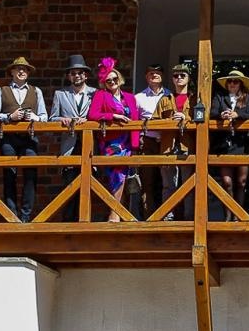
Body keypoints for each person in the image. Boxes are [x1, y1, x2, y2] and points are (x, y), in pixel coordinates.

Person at [0, 56, 48, 222]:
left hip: (30, 137)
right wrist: (9, 116)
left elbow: (45, 117)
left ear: (28, 73)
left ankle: (26, 215)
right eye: (18, 68)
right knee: (9, 174)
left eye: (25, 69)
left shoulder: (36, 92)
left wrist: (34, 117)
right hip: (8, 138)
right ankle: (11, 215)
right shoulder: (2, 91)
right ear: (12, 72)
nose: (22, 71)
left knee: (30, 174)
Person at [87, 58, 141, 222]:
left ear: (119, 79)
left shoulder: (130, 98)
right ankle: (114, 212)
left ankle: (119, 212)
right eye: (108, 80)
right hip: (112, 142)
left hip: (128, 141)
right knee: (116, 176)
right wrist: (113, 116)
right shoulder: (101, 95)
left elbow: (136, 118)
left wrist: (137, 142)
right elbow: (92, 115)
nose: (112, 82)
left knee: (125, 176)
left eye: (114, 79)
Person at [50, 54, 96, 219]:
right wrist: (62, 119)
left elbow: (99, 115)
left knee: (90, 183)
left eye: (80, 73)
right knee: (69, 184)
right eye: (73, 73)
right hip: (69, 144)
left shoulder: (95, 93)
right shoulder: (60, 94)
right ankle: (68, 220)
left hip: (89, 144)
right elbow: (51, 118)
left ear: (86, 75)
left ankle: (85, 220)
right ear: (69, 76)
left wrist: (89, 120)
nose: (77, 76)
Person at [213, 69, 249, 219]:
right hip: (224, 144)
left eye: (235, 81)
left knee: (242, 181)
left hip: (242, 144)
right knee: (226, 182)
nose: (232, 84)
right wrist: (221, 115)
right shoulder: (219, 97)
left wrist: (237, 115)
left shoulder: (248, 98)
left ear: (240, 84)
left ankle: (238, 216)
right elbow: (211, 113)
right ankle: (227, 215)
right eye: (230, 81)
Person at [135, 63, 175, 218]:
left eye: (157, 73)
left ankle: (167, 215)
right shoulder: (139, 97)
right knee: (147, 180)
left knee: (167, 181)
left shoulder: (170, 95)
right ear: (146, 77)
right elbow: (135, 121)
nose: (154, 75)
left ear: (162, 76)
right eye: (151, 73)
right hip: (148, 141)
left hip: (166, 142)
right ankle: (149, 216)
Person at [165, 63, 198, 220]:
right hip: (167, 146)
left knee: (188, 183)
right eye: (175, 76)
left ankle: (189, 216)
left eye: (182, 75)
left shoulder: (195, 100)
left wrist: (187, 119)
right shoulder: (165, 99)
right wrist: (168, 122)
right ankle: (167, 216)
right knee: (168, 184)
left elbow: (201, 120)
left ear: (188, 78)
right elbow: (154, 121)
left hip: (187, 145)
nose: (178, 78)